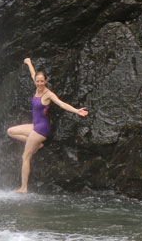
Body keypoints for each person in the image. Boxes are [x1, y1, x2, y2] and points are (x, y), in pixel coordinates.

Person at [7, 57, 89, 193]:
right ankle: (37, 145)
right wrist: (28, 63)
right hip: (35, 126)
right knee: (10, 131)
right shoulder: (36, 87)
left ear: (45, 81)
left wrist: (77, 110)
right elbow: (33, 73)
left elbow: (62, 104)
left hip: (41, 129)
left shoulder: (48, 94)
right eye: (37, 81)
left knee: (25, 156)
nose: (39, 83)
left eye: (42, 81)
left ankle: (24, 187)